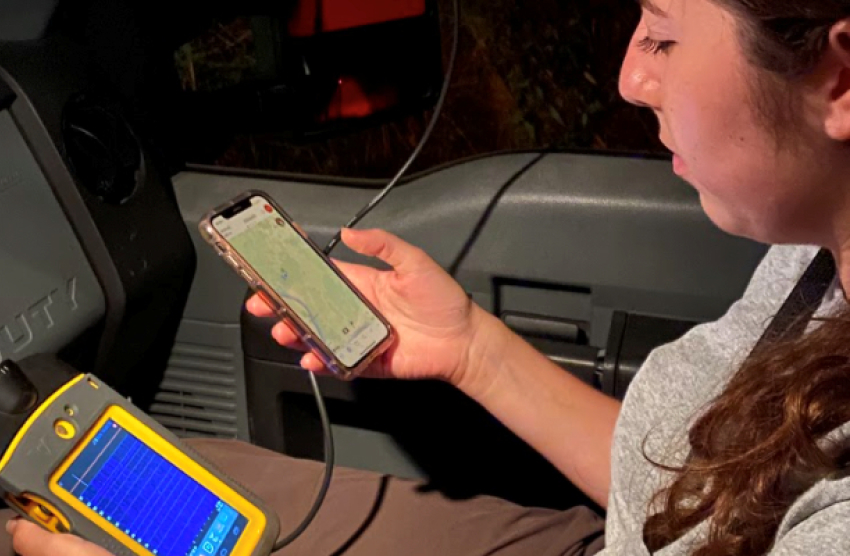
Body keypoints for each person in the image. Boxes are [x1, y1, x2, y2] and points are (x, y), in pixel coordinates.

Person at [8, 0, 850, 554]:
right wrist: (472, 351)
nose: (633, 76)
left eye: (663, 34)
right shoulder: (815, 258)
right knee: (202, 475)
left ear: (840, 78)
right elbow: (695, 485)